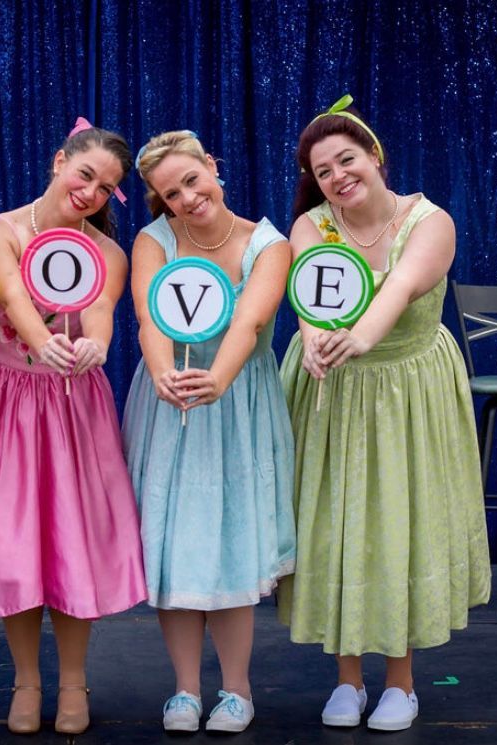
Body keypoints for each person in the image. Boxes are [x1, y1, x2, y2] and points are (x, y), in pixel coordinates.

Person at [277, 94, 491, 732]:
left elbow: (397, 288)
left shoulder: (430, 221)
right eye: (324, 171)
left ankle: (400, 682)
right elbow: (311, 300)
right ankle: (347, 679)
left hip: (406, 389)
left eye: (348, 160)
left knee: (397, 524)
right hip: (334, 387)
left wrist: (358, 340)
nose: (339, 177)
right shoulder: (315, 225)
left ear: (374, 157)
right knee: (338, 526)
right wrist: (316, 337)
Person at [0, 119, 146, 736]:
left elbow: (103, 313)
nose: (89, 191)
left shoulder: (108, 252)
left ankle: (74, 681)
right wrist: (41, 344)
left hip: (71, 407)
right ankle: (27, 680)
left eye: (105, 187)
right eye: (85, 174)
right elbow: (9, 296)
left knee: (69, 545)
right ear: (60, 161)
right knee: (15, 548)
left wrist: (96, 347)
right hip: (4, 402)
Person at [121, 130, 296, 734]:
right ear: (161, 202)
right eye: (172, 193)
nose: (188, 198)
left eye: (193, 181)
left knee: (230, 542)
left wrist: (215, 381)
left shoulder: (269, 245)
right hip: (170, 401)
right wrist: (169, 374)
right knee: (175, 546)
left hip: (236, 401)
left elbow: (249, 325)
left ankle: (238, 691)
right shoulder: (154, 241)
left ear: (213, 169)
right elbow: (147, 316)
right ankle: (185, 691)